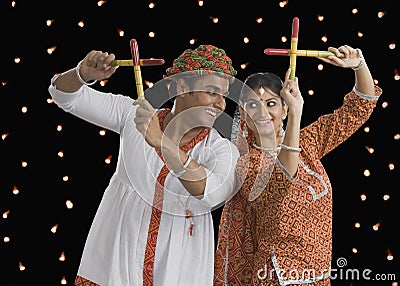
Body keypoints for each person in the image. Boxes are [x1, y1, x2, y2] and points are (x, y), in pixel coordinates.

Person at [48, 44, 240, 286]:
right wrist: (81, 74)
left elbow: (209, 192)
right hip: (117, 262)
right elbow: (64, 96)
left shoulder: (223, 150)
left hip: (178, 270)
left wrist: (161, 142)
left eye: (223, 96)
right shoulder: (133, 116)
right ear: (182, 87)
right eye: (212, 92)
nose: (221, 105)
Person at [214, 45, 382, 285]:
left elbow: (358, 109)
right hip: (276, 276)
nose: (262, 112)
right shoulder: (245, 164)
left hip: (319, 276)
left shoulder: (308, 143)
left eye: (271, 103)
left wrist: (359, 64)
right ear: (242, 115)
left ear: (283, 108)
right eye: (252, 105)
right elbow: (284, 177)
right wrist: (296, 116)